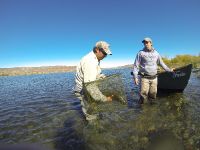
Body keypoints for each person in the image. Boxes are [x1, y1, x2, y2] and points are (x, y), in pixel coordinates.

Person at [74, 41, 113, 121]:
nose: (105, 56)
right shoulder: (90, 61)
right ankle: (93, 130)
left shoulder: (95, 59)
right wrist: (105, 99)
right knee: (91, 114)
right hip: (84, 91)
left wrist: (102, 77)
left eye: (106, 54)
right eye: (104, 53)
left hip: (87, 88)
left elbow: (96, 74)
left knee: (94, 109)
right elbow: (90, 87)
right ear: (97, 50)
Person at [132, 37, 173, 104]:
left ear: (151, 43)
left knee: (153, 95)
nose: (146, 44)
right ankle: (143, 110)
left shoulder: (156, 53)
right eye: (144, 43)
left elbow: (162, 64)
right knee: (143, 96)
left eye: (147, 42)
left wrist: (169, 70)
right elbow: (135, 66)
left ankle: (152, 110)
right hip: (144, 78)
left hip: (154, 78)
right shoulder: (140, 53)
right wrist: (135, 77)